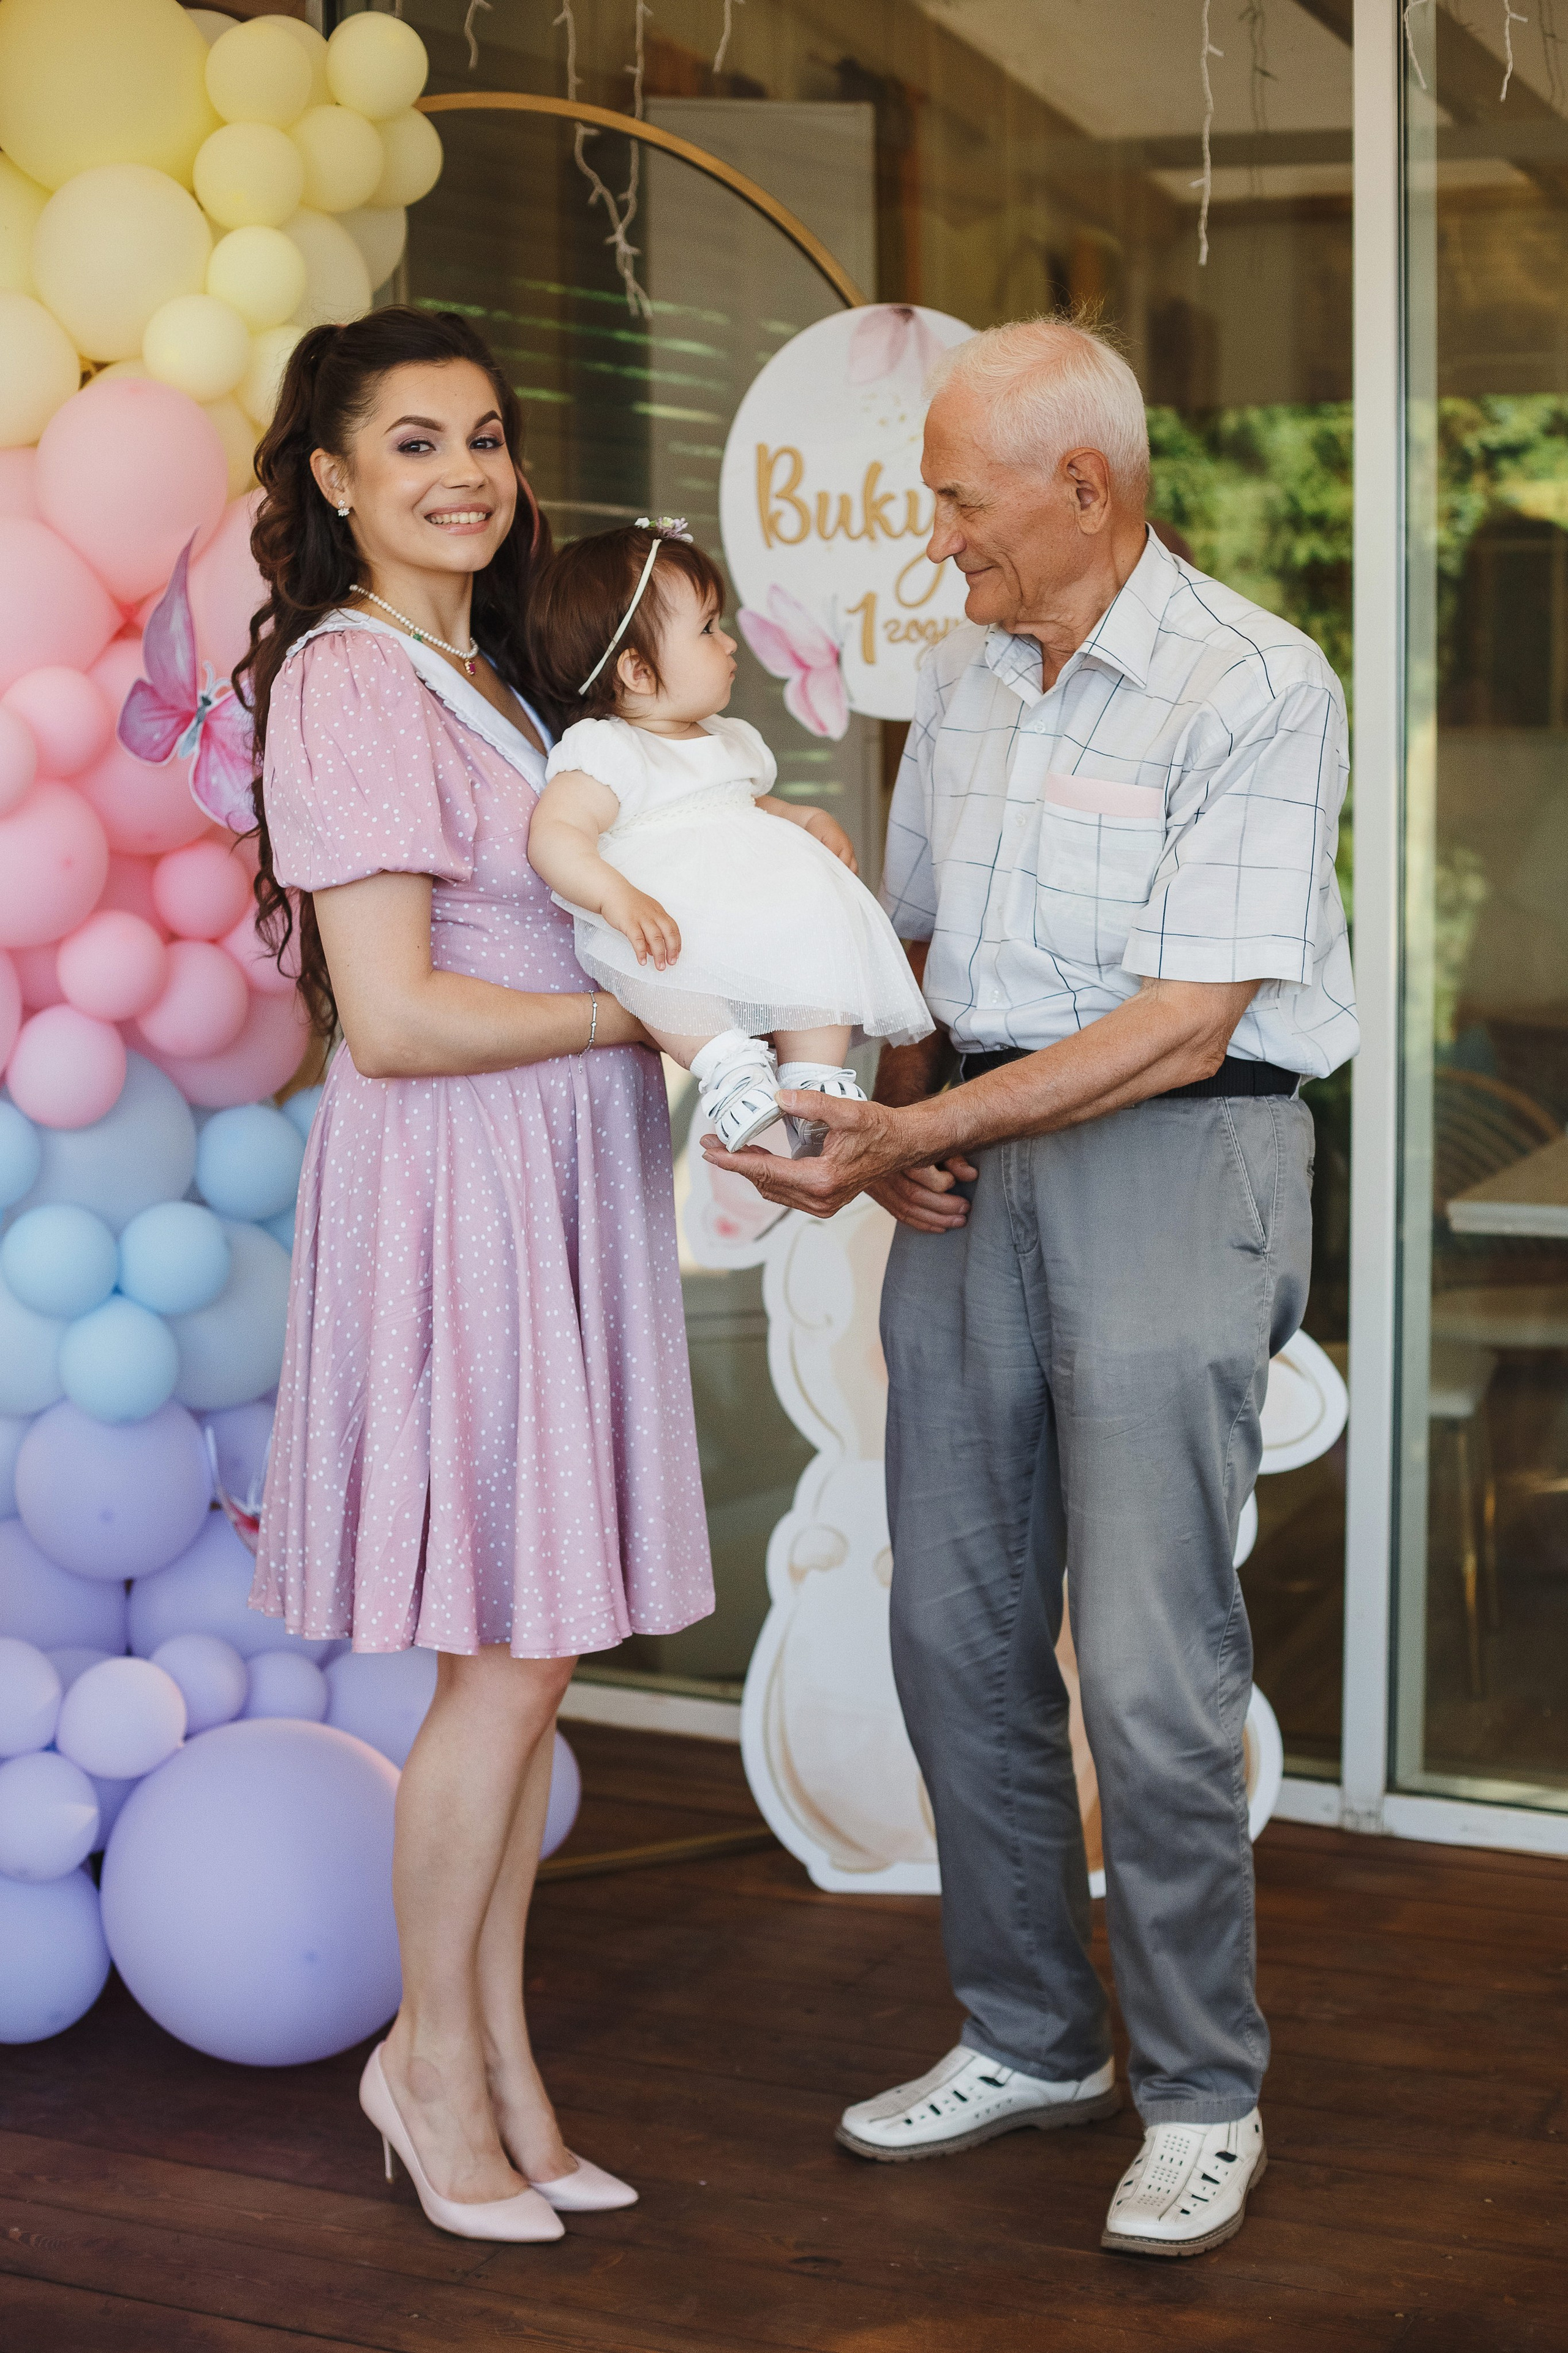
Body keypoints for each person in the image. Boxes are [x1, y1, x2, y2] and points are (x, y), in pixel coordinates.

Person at [702, 314, 1356, 2259]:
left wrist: (914, 1135)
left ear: (1086, 487)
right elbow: (915, 957)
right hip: (969, 1158)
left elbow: (1181, 1019)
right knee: (954, 1630)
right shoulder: (965, 677)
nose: (934, 538)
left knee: (1150, 1669)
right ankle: (1025, 2031)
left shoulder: (1255, 678)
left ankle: (1202, 2085)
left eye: (959, 499)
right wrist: (857, 1081)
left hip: (1176, 1148)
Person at [244, 309, 714, 2243]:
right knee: (503, 1661)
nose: (467, 471)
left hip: (556, 1191)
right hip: (457, 1193)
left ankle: (503, 2063)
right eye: (415, 441)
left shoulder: (497, 682)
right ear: (334, 480)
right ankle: (427, 2065)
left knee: (534, 1666)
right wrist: (640, 1019)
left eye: (491, 437)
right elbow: (399, 1018)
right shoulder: (348, 682)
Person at [526, 521, 930, 1158]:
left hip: (753, 905)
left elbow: (748, 805)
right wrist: (615, 897)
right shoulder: (609, 748)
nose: (730, 642)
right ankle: (726, 1066)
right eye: (709, 629)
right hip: (670, 914)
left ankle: (814, 1081)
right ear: (636, 670)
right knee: (657, 968)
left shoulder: (729, 737)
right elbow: (555, 834)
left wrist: (803, 820)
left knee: (818, 925)